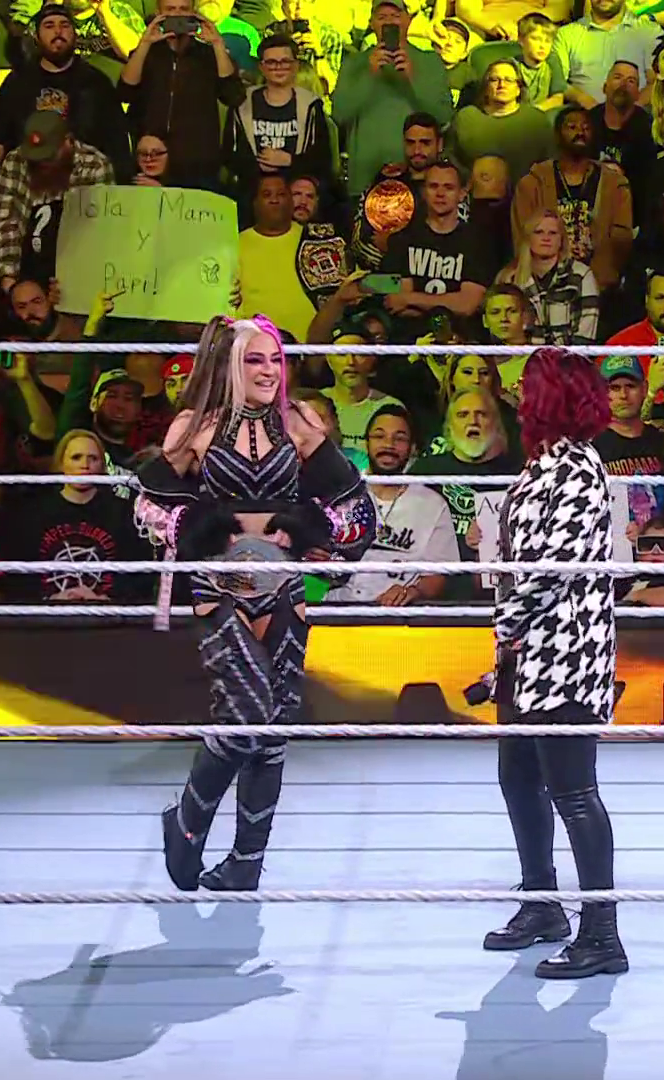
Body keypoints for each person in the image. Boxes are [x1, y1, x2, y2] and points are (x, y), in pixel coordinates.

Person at [132, 315, 376, 893]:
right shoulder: (196, 425)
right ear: (229, 365)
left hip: (283, 587)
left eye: (275, 360)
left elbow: (358, 508)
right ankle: (187, 824)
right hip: (221, 589)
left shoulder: (299, 422)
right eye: (254, 359)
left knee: (275, 724)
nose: (268, 371)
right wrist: (192, 527)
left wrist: (317, 531)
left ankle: (247, 860)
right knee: (245, 711)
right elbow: (145, 506)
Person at [484, 347, 627, 981]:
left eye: (526, 387)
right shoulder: (542, 464)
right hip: (529, 648)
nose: (516, 398)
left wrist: (507, 627)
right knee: (518, 776)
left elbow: (553, 567)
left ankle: (602, 935)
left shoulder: (576, 467)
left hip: (566, 648)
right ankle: (541, 902)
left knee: (574, 790)